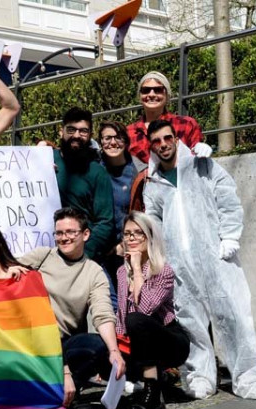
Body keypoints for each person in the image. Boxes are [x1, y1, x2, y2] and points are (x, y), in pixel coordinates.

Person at [143, 119, 256, 401]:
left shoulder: (201, 164)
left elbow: (227, 198)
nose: (164, 145)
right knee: (191, 323)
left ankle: (249, 380)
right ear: (151, 145)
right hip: (180, 264)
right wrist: (160, 259)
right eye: (157, 141)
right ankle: (200, 378)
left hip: (216, 257)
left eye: (168, 138)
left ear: (175, 137)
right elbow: (152, 224)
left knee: (235, 317)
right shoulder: (152, 183)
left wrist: (230, 236)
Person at [16, 208, 126, 408]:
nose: (64, 238)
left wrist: (113, 350)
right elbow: (0, 272)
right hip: (34, 339)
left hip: (65, 343)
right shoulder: (41, 257)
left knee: (98, 346)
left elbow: (103, 314)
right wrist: (12, 268)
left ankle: (68, 392)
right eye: (59, 233)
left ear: (85, 234)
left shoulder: (94, 272)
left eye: (70, 232)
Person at [115, 212, 189, 409]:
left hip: (170, 341)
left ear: (149, 238)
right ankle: (161, 379)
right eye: (127, 234)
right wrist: (115, 350)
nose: (131, 239)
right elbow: (122, 313)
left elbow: (144, 310)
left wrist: (137, 269)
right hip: (139, 343)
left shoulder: (163, 270)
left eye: (138, 233)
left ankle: (152, 395)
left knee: (137, 320)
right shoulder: (122, 272)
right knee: (101, 350)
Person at [126, 71, 210, 211]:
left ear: (167, 95)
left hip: (183, 197)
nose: (151, 94)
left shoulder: (186, 124)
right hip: (146, 202)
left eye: (158, 90)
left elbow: (197, 161)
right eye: (146, 90)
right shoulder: (129, 133)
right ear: (140, 96)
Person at [53, 107, 115, 260]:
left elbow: (105, 222)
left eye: (83, 131)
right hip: (46, 252)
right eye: (71, 130)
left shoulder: (98, 172)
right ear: (61, 131)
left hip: (84, 256)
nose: (76, 135)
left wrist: (82, 254)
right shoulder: (45, 159)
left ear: (90, 135)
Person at [98, 120, 139, 310]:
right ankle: (117, 340)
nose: (113, 143)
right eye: (107, 138)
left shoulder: (136, 173)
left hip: (125, 250)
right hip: (98, 251)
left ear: (126, 141)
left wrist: (123, 244)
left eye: (118, 138)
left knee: (131, 302)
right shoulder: (93, 167)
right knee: (110, 304)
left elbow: (141, 214)